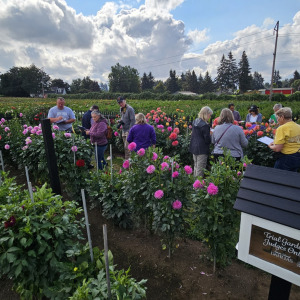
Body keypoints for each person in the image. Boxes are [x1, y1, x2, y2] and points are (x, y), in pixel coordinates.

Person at [268, 107, 300, 172]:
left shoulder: (282, 128)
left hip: (286, 157)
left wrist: (270, 146)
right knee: (290, 179)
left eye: (277, 118)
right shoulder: (298, 126)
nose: (277, 120)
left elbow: (277, 148)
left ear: (282, 117)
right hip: (297, 157)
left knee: (277, 177)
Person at [189, 106, 213, 177]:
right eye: (209, 115)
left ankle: (194, 185)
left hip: (194, 147)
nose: (210, 117)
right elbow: (207, 140)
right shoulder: (205, 125)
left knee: (196, 167)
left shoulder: (195, 121)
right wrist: (211, 135)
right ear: (206, 114)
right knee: (200, 169)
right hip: (202, 149)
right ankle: (198, 187)